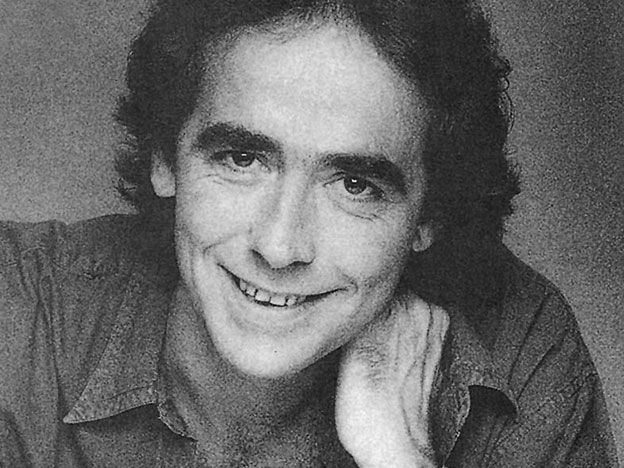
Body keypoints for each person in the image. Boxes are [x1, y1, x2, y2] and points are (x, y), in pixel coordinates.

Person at [0, 0, 618, 466]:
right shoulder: (17, 310)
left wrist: (397, 455)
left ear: (429, 215)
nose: (279, 246)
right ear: (166, 158)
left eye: (354, 185)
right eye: (242, 158)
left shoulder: (522, 352)